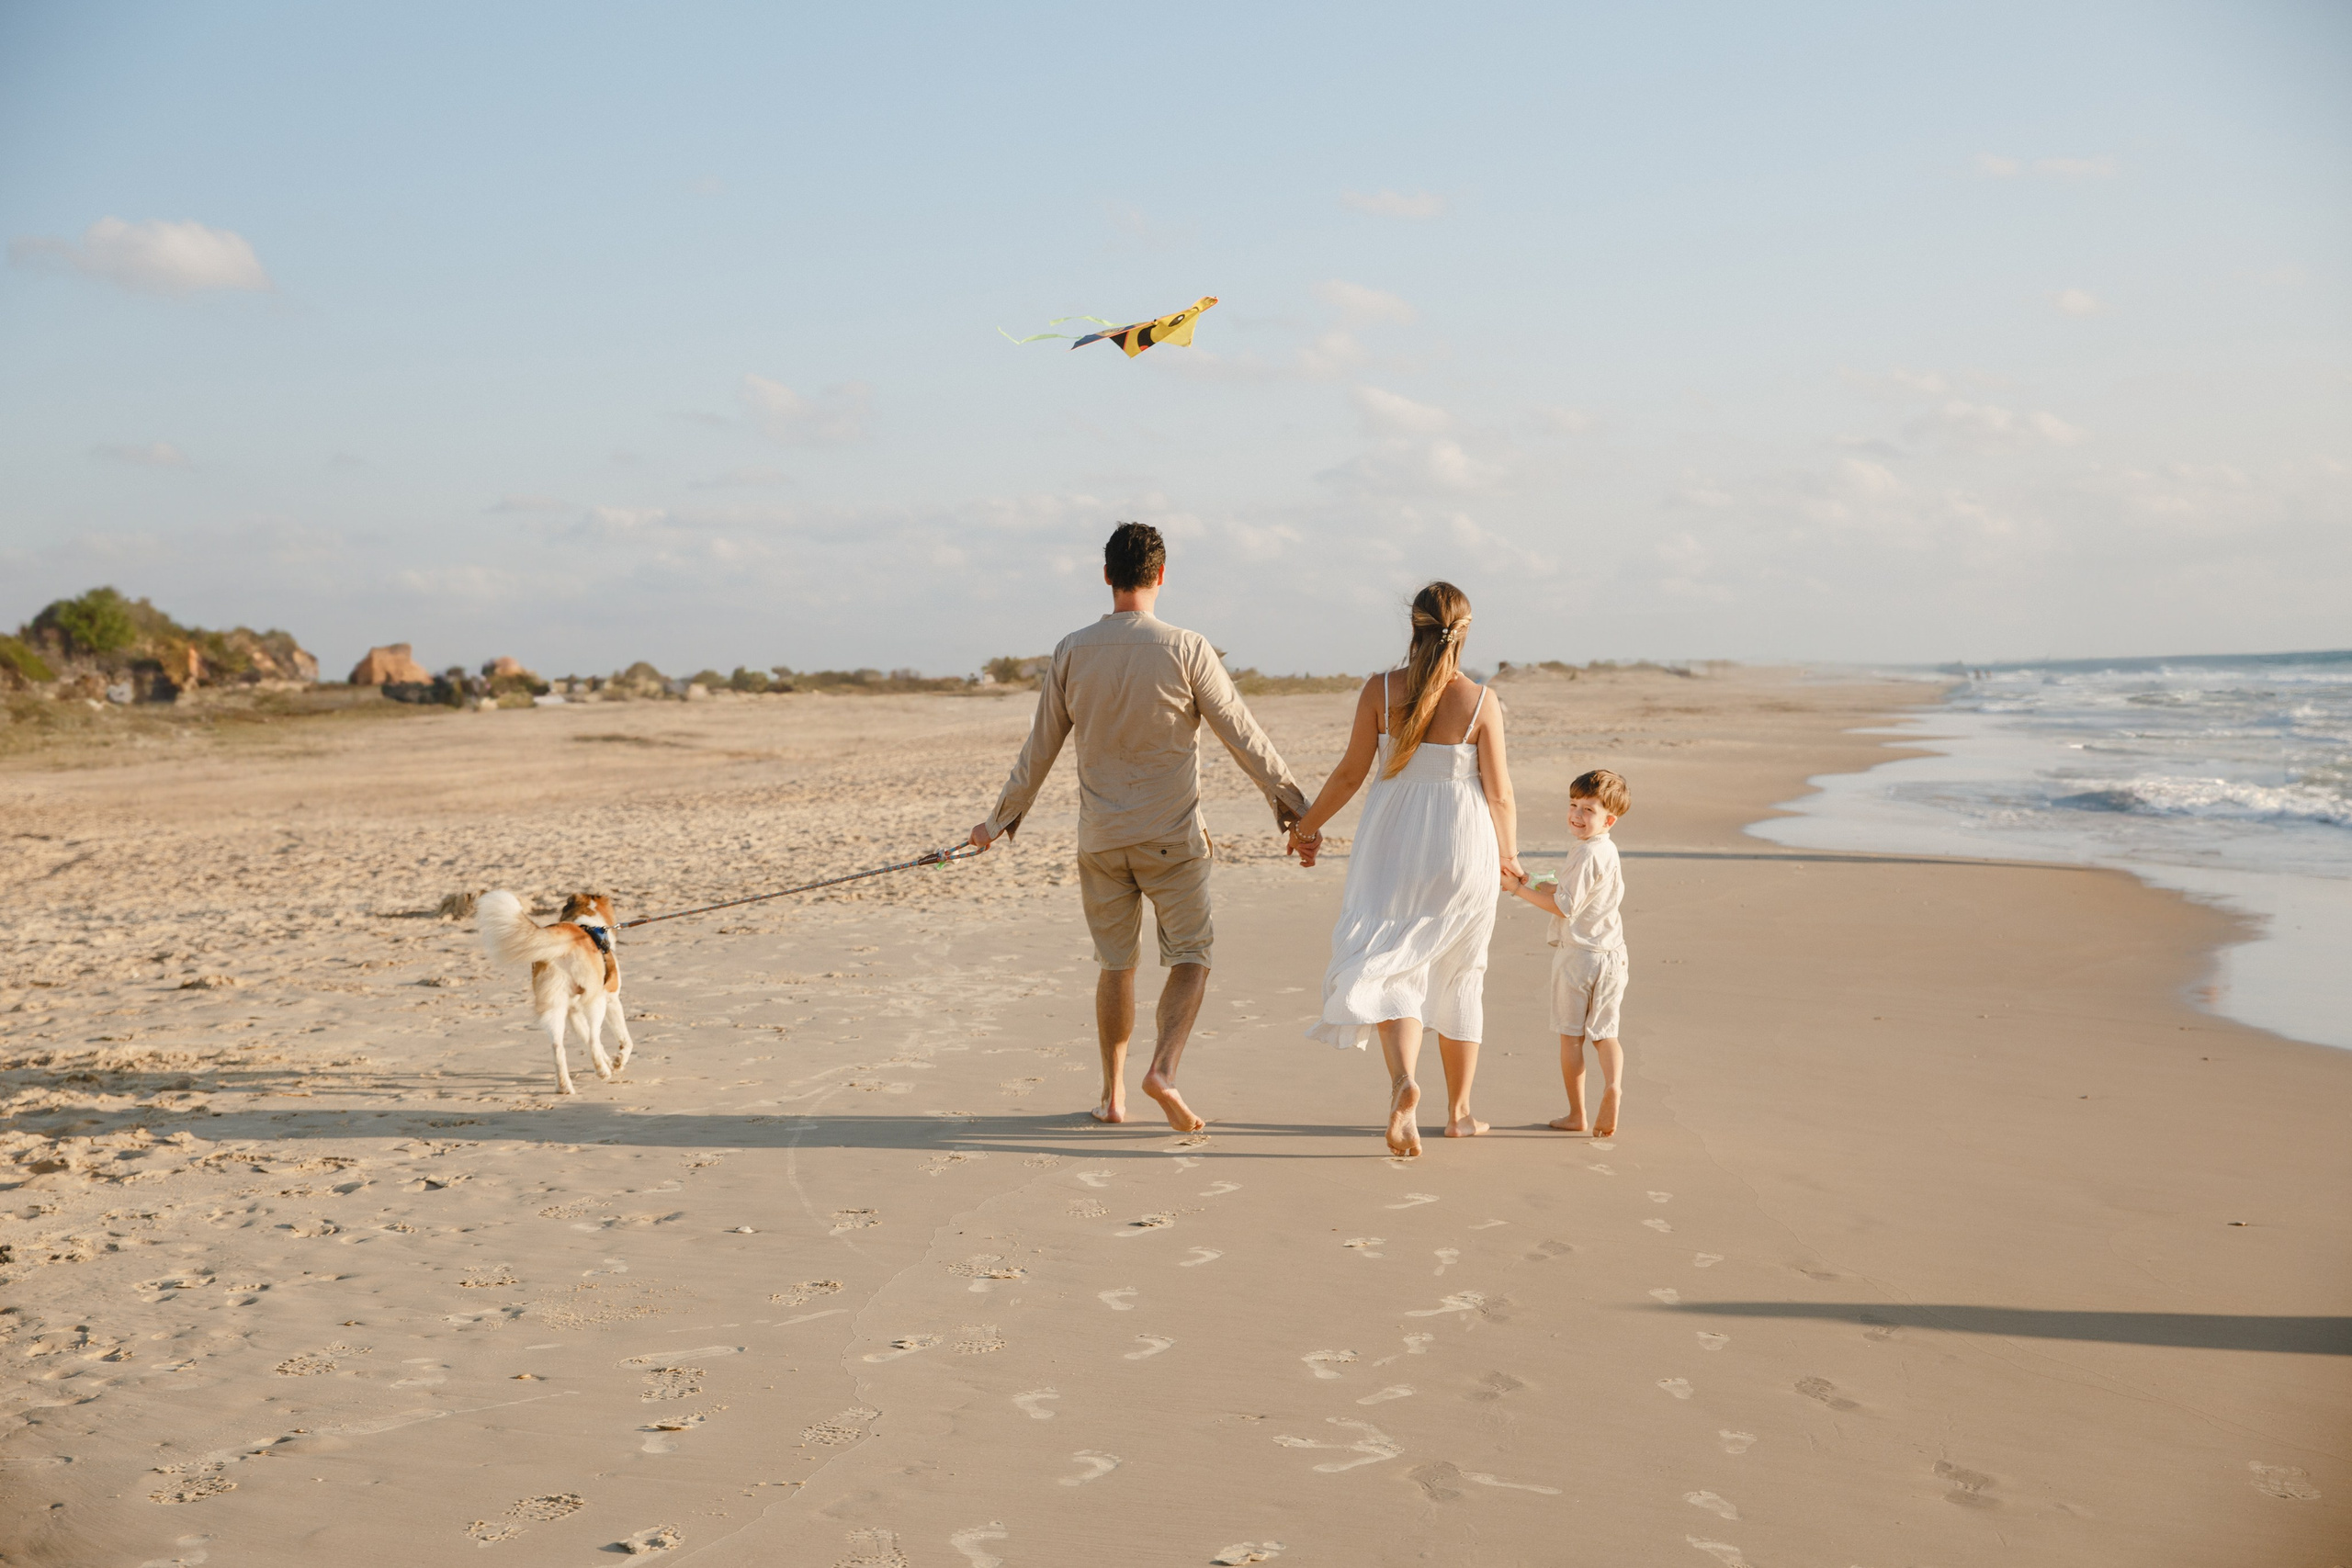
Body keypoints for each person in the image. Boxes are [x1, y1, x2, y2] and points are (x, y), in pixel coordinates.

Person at [968, 522, 1310, 1131]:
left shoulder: (1072, 649)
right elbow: (1243, 734)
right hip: (1171, 838)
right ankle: (1165, 1069)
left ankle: (1113, 1096)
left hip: (1101, 839)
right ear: (1160, 575)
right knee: (1191, 958)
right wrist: (1295, 808)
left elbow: (1038, 748)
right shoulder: (1187, 647)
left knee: (1115, 965)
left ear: (1107, 576)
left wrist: (997, 821)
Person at [1290, 582, 1521, 1156]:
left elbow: (1349, 774)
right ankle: (1460, 1115)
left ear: (1412, 627)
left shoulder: (1379, 690)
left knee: (1391, 964)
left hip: (1392, 840)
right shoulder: (1481, 701)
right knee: (1463, 972)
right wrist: (1509, 856)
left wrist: (1306, 828)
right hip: (1463, 843)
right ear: (1464, 632)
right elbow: (1500, 795)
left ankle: (1401, 1083)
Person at [1502, 769, 1631, 1136]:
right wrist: (1532, 879)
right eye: (1573, 805)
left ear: (1609, 819)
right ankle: (1613, 1086)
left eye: (1588, 809)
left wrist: (1514, 889)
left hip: (1579, 958)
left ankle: (1577, 1114)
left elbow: (1564, 906)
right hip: (1613, 955)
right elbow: (1573, 891)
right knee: (1606, 1033)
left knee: (1571, 1036)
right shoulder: (1605, 850)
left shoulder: (1585, 854)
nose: (1576, 814)